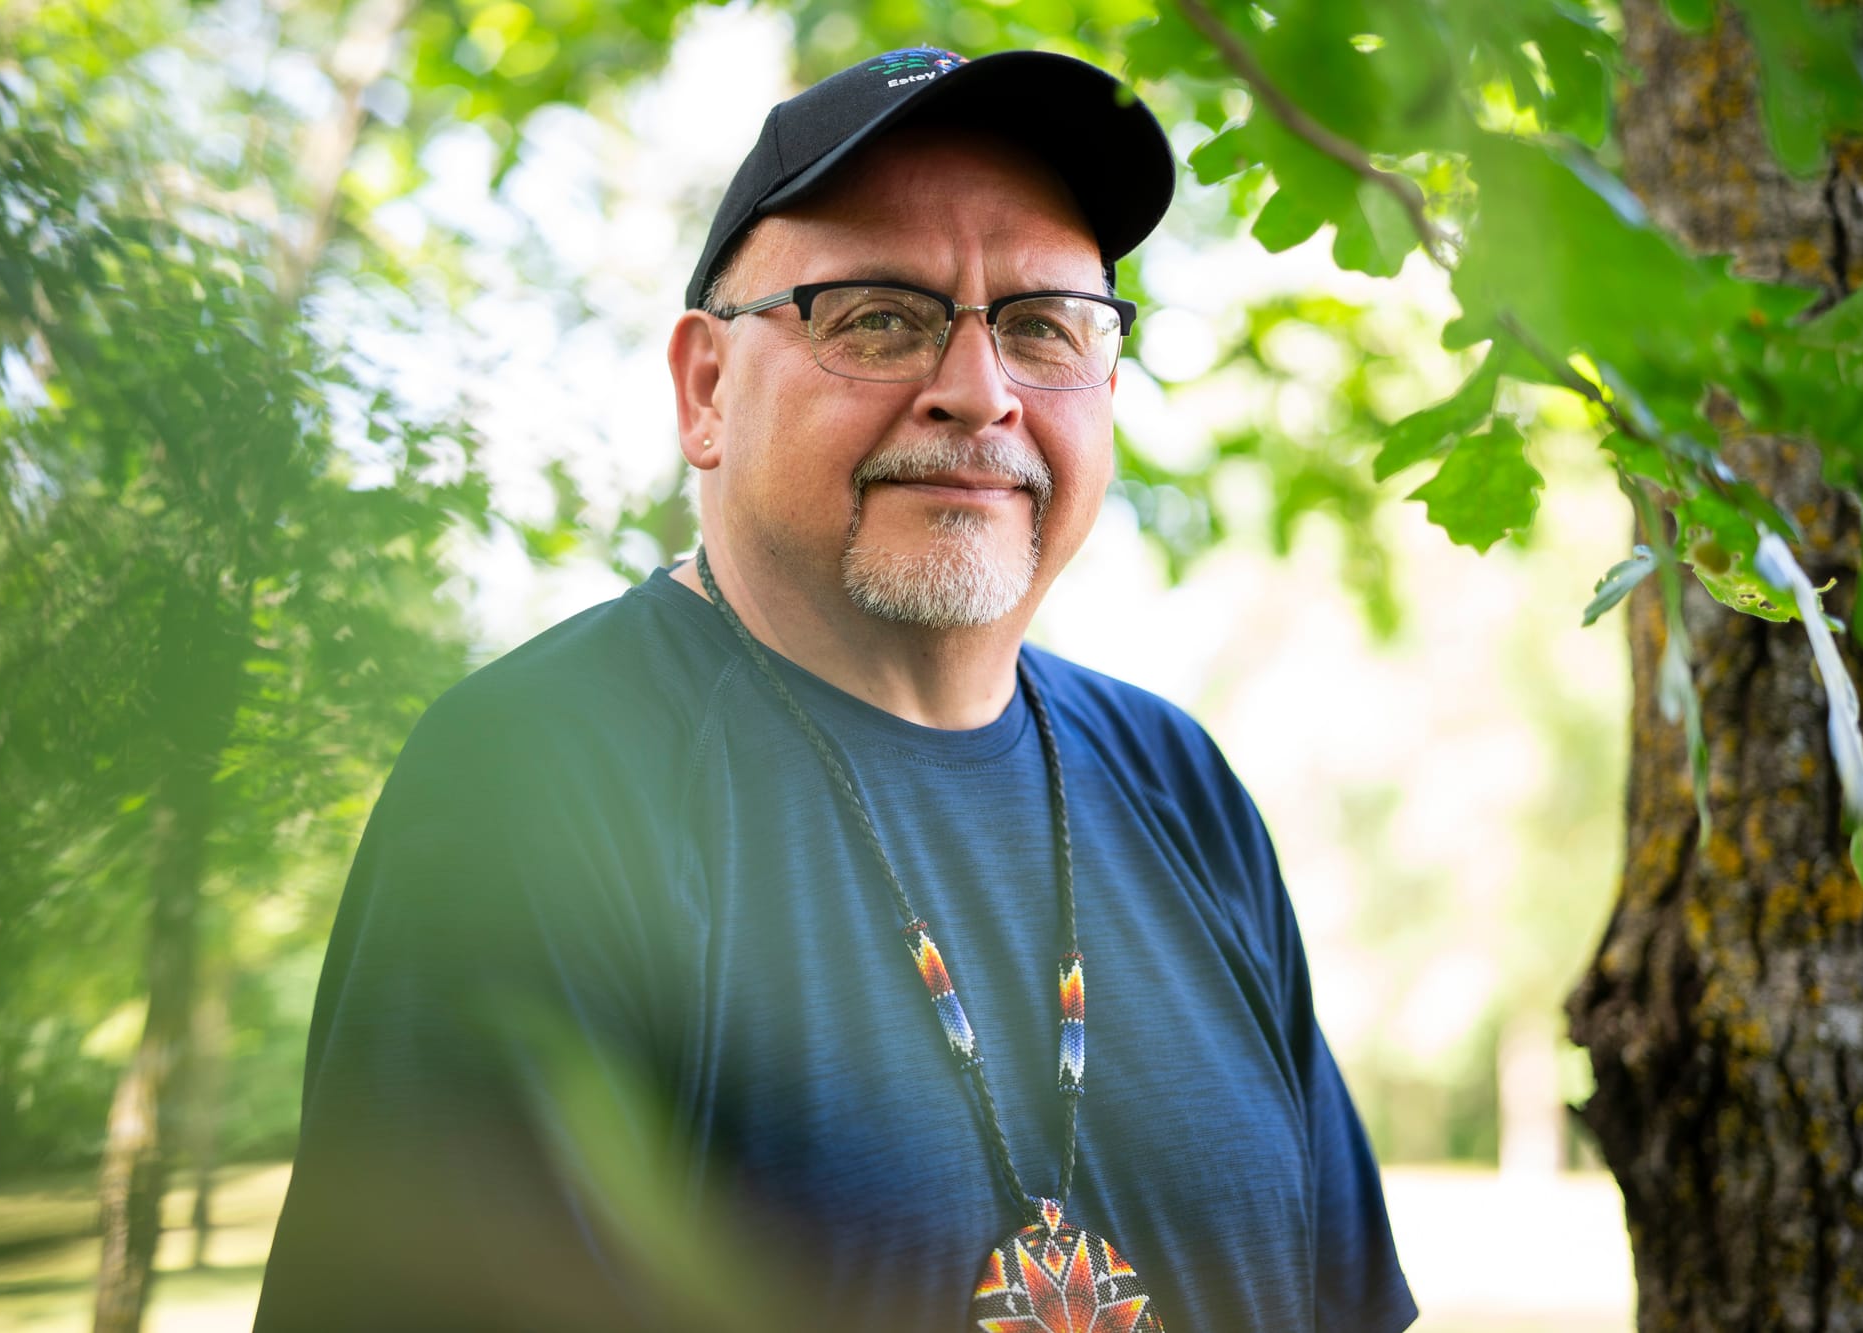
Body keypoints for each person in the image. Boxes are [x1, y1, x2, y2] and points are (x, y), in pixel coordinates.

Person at [254, 45, 1417, 1333]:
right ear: (706, 390)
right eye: (877, 316)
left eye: (1041, 328)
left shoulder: (1179, 782)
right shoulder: (539, 781)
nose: (979, 395)